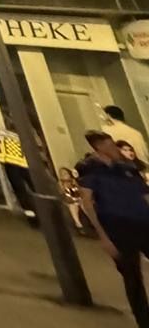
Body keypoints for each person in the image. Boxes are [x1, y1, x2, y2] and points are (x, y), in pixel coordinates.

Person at [77, 130, 149, 327]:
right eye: (110, 145)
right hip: (117, 226)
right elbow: (88, 203)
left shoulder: (128, 169)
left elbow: (144, 195)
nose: (115, 149)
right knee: (132, 276)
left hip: (142, 221)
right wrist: (103, 236)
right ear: (99, 148)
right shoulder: (91, 171)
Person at [0, 123, 39, 227]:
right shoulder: (24, 136)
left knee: (21, 192)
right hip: (25, 165)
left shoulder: (1, 134)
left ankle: (32, 217)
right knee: (35, 189)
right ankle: (44, 212)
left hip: (11, 165)